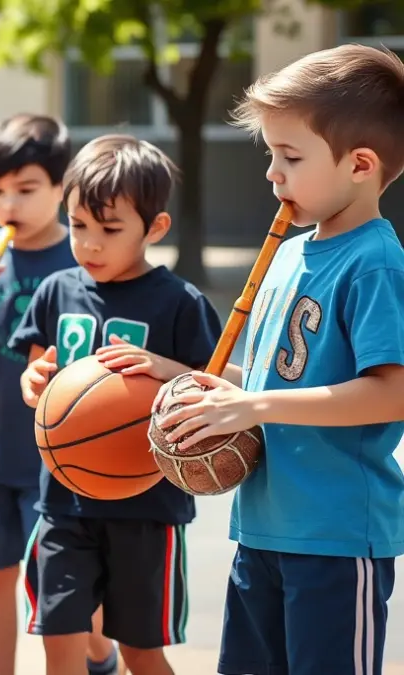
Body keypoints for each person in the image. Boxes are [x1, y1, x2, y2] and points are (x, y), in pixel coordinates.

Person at [154, 44, 404, 675]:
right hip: (262, 530)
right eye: (270, 153)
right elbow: (272, 381)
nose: (272, 172)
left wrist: (254, 404)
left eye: (290, 156)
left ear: (361, 164)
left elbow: (390, 392)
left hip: (337, 537)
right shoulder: (290, 254)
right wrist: (180, 375)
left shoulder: (374, 262)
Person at [8, 134, 222, 675]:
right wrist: (34, 383)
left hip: (147, 509)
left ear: (155, 228)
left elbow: (219, 388)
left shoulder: (181, 303)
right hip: (64, 502)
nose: (90, 245)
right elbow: (39, 377)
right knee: (60, 642)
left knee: (142, 653)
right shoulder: (57, 290)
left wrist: (168, 371)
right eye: (79, 226)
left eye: (109, 230)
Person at [0, 114, 119, 675]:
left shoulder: (86, 259)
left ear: (62, 187)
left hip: (65, 461)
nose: (8, 204)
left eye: (25, 189)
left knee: (69, 589)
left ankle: (101, 652)